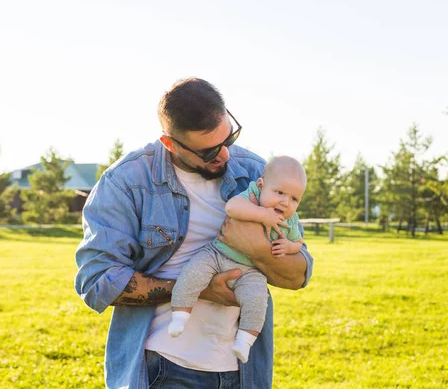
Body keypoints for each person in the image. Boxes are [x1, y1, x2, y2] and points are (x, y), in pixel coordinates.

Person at [74, 77, 314, 389]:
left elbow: (298, 277)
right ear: (170, 144)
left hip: (243, 370)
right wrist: (198, 288)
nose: (225, 156)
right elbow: (97, 282)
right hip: (163, 366)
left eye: (229, 140)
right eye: (209, 151)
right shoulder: (126, 182)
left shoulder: (258, 173)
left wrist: (255, 249)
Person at [168, 155, 307, 364]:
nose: (285, 202)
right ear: (261, 185)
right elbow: (232, 208)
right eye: (279, 193)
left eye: (294, 199)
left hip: (250, 271)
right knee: (194, 272)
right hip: (219, 253)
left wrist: (289, 246)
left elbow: (298, 241)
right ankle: (180, 314)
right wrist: (262, 215)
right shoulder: (252, 195)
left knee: (257, 300)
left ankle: (244, 340)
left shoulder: (291, 220)